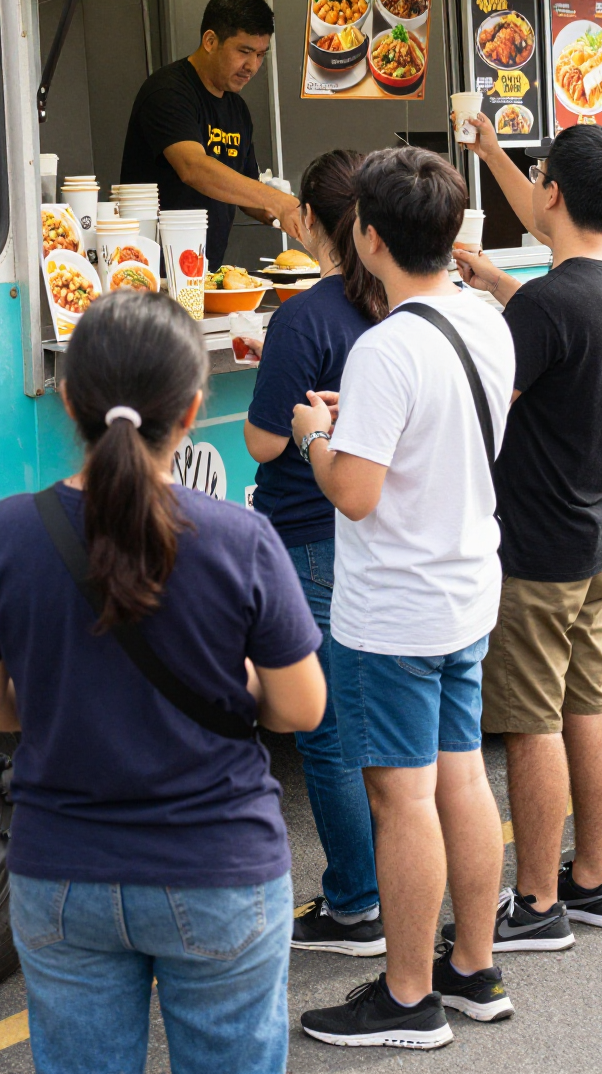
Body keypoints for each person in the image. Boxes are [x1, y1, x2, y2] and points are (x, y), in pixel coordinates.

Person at [0, 291, 327, 1074]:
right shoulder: (241, 539)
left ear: (68, 400)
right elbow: (302, 707)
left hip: (62, 876)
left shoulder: (1, 535)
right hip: (216, 868)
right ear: (192, 410)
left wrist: (62, 700)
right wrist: (243, 684)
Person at [291, 147, 516, 1050]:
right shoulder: (486, 321)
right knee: (461, 776)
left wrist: (316, 434)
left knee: (401, 797)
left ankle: (408, 994)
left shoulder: (387, 347)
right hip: (465, 584)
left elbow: (354, 493)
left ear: (369, 237)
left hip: (396, 605)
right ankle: (475, 969)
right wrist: (357, 424)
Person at [452, 119, 602, 946]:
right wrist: (499, 281)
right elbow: (554, 336)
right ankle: (593, 879)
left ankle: (535, 904)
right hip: (597, 524)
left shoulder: (548, 303)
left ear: (554, 192)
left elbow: (492, 396)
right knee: (586, 702)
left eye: (535, 177)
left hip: (536, 539)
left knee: (530, 724)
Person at [243, 149, 387, 955]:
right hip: (379, 533)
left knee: (327, 730)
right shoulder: (402, 304)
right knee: (380, 720)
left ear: (307, 219)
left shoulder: (305, 316)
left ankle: (356, 902)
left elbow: (266, 442)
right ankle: (384, 885)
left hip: (309, 537)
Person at [120, 0, 300, 267]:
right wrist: (274, 199)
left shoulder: (237, 109)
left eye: (261, 55)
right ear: (210, 40)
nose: (252, 66)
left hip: (206, 269)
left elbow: (247, 195)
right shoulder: (168, 91)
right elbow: (193, 168)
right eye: (244, 51)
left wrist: (280, 211)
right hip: (153, 272)